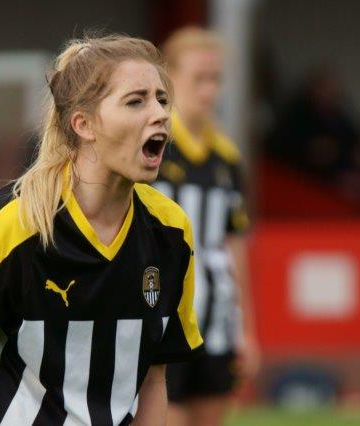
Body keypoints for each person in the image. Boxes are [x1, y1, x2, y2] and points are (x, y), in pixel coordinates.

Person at [0, 34, 204, 426]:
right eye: (136, 101)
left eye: (162, 99)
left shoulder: (171, 232)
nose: (160, 114)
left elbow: (152, 377)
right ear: (83, 124)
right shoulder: (19, 223)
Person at [156, 27, 260, 426]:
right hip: (160, 319)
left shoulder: (227, 158)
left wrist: (248, 331)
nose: (209, 90)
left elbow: (235, 248)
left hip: (215, 322)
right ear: (170, 79)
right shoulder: (151, 146)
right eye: (199, 78)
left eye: (216, 79)